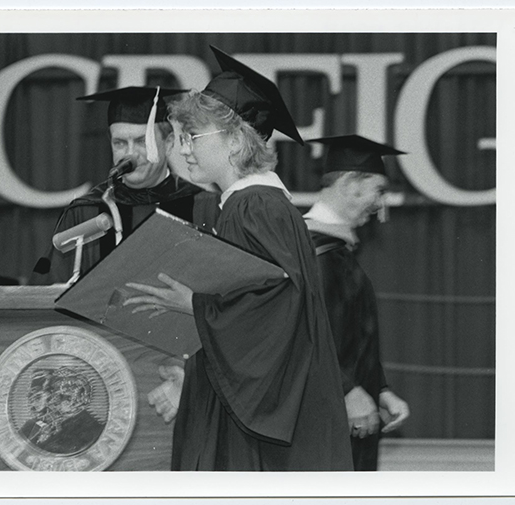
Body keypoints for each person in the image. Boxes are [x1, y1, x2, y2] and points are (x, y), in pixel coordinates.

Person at [124, 46, 352, 471]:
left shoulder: (256, 207)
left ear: (234, 140)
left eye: (195, 136)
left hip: (260, 417)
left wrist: (192, 304)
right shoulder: (246, 204)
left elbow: (275, 306)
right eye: (182, 137)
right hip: (247, 395)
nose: (185, 149)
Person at [33, 86, 220, 284]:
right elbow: (47, 288)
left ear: (169, 142)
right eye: (120, 143)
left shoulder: (204, 207)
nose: (130, 154)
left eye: (141, 141)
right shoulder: (86, 211)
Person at [304, 134, 411, 470]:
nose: (381, 204)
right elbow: (307, 338)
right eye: (378, 191)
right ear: (351, 184)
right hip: (325, 421)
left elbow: (350, 336)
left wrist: (379, 389)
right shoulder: (312, 252)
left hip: (348, 413)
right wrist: (349, 390)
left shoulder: (336, 251)